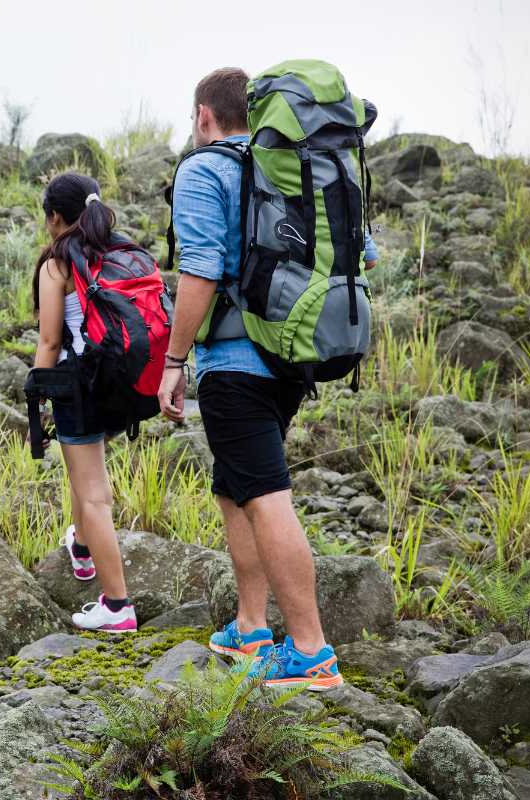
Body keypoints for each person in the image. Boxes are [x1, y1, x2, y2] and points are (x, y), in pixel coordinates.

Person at [158, 68, 378, 689]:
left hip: (235, 364)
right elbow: (362, 251)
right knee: (233, 487)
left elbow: (198, 273)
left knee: (262, 492)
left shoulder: (205, 170)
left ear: (204, 115)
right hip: (290, 356)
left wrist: (173, 363)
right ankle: (251, 627)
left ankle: (309, 652)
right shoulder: (291, 168)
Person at [32, 172, 136, 633]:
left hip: (78, 380)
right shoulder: (116, 252)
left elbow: (51, 340)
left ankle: (117, 605)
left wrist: (39, 387)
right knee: (84, 467)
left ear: (55, 217)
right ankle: (80, 546)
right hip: (117, 380)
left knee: (93, 493)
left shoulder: (58, 264)